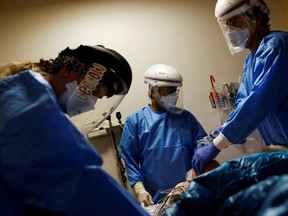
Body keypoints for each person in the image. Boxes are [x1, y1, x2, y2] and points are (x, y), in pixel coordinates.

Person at [0, 45, 148, 216]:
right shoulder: (27, 110)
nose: (91, 104)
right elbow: (82, 186)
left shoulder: (21, 95)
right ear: (68, 71)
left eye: (98, 98)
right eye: (94, 91)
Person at [192, 0, 288, 175]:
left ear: (257, 16)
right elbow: (242, 106)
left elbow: (258, 102)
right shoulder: (250, 61)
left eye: (235, 21)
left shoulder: (278, 45)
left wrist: (217, 144)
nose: (230, 30)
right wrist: (216, 136)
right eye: (227, 24)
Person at [120, 64, 207, 206]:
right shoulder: (135, 121)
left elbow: (202, 147)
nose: (173, 95)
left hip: (190, 191)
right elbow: (130, 159)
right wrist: (139, 189)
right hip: (157, 198)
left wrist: (193, 176)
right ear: (153, 91)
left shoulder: (186, 118)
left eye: (175, 90)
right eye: (168, 90)